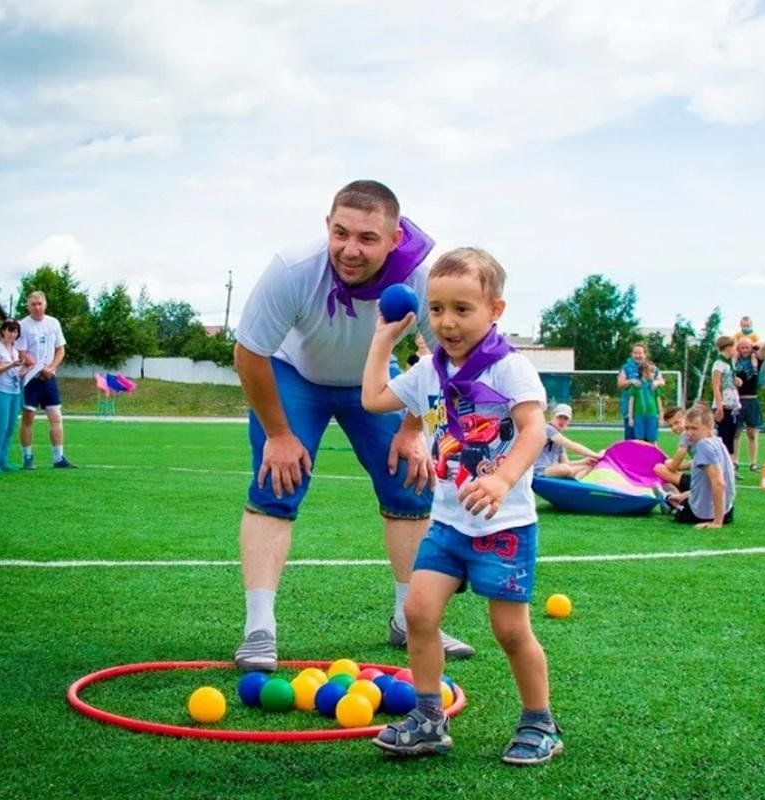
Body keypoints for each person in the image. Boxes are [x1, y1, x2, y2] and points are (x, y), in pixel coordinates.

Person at [230, 180, 472, 672]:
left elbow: (450, 359)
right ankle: (259, 629)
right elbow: (249, 352)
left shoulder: (424, 280)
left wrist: (412, 429)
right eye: (340, 233)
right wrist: (279, 435)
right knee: (277, 484)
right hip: (295, 375)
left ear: (394, 240)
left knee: (412, 482)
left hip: (375, 385)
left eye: (367, 238)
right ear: (327, 226)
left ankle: (411, 621)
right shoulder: (294, 269)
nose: (350, 249)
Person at [362, 246, 562, 765]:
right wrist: (384, 339)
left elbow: (534, 429)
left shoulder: (511, 368)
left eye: (462, 309)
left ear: (495, 310)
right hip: (448, 523)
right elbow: (374, 398)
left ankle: (540, 722)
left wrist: (501, 481)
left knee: (510, 630)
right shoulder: (430, 373)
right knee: (418, 611)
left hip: (506, 525)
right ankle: (429, 717)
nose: (446, 322)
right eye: (437, 309)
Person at [16, 291, 75, 470]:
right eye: (33, 304)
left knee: (56, 417)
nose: (37, 307)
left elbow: (60, 350)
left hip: (49, 378)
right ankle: (27, 458)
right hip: (30, 379)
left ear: (45, 304)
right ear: (28, 306)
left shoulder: (53, 323)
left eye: (40, 303)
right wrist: (35, 366)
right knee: (28, 419)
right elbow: (21, 351)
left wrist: (50, 368)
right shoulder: (22, 325)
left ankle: (58, 458)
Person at [666, 405, 736, 528]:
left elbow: (719, 483)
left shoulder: (703, 445)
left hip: (704, 513)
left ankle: (667, 497)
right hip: (728, 510)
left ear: (709, 427)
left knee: (671, 505)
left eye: (694, 428)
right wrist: (686, 495)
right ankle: (679, 496)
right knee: (679, 498)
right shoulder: (717, 441)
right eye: (687, 428)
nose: (689, 433)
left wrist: (717, 522)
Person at [0, 320, 27, 475]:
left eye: (15, 332)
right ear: (3, 331)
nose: (13, 334)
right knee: (0, 427)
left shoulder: (15, 350)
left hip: (15, 392)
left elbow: (16, 373)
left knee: (9, 428)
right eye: (10, 331)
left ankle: (3, 461)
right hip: (1, 392)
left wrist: (26, 370)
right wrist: (11, 365)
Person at [534, 403, 602, 479]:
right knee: (564, 469)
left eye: (565, 418)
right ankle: (572, 482)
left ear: (569, 421)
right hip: (539, 471)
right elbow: (572, 446)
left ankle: (574, 485)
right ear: (552, 416)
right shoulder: (548, 429)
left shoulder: (559, 438)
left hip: (554, 470)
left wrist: (583, 461)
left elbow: (566, 462)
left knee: (588, 467)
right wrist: (596, 455)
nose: (562, 421)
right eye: (559, 417)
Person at [616, 343, 662, 440]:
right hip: (631, 410)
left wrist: (657, 382)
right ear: (631, 354)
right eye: (635, 353)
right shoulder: (626, 367)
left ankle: (649, 455)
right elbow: (620, 384)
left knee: (650, 440)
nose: (637, 355)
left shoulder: (651, 367)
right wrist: (631, 381)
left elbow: (662, 381)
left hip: (649, 412)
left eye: (640, 353)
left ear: (645, 354)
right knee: (632, 439)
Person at [733, 337, 765, 471]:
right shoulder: (734, 361)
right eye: (742, 348)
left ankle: (753, 462)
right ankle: (735, 461)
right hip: (737, 399)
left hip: (752, 400)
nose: (745, 350)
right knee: (736, 433)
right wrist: (736, 350)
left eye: (747, 347)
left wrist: (754, 346)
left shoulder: (756, 359)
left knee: (752, 433)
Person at [710, 336, 740, 462]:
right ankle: (722, 463)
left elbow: (730, 380)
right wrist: (719, 405)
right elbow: (716, 385)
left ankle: (731, 464)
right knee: (724, 435)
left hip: (733, 403)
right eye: (734, 347)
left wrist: (737, 381)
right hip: (724, 403)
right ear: (728, 347)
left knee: (731, 435)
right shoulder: (719, 364)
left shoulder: (730, 363)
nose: (735, 350)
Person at [654, 406, 692, 493]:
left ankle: (676, 497)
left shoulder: (686, 433)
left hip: (704, 484)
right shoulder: (701, 432)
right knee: (669, 463)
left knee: (659, 469)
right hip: (718, 481)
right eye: (671, 425)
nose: (674, 428)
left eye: (677, 423)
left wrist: (670, 466)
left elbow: (679, 456)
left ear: (687, 419)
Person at [628, 360, 664, 442]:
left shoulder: (654, 385)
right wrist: (630, 418)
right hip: (639, 416)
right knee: (640, 440)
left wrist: (661, 418)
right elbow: (631, 402)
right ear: (644, 372)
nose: (654, 374)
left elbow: (659, 402)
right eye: (651, 372)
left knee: (653, 440)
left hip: (652, 416)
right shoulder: (636, 386)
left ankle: (655, 455)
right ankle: (641, 455)